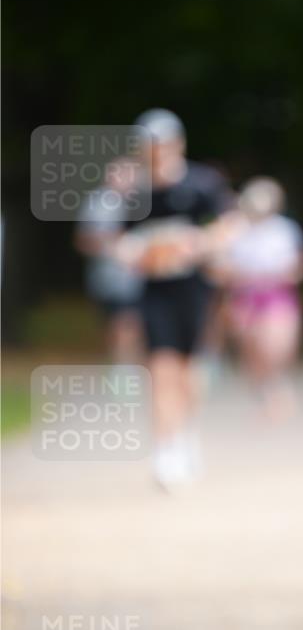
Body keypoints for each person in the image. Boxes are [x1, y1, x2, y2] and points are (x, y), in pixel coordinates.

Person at [115, 109, 230, 488]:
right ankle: (166, 451)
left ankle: (186, 434)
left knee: (190, 374)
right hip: (155, 292)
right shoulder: (135, 193)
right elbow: (122, 242)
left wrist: (201, 244)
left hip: (195, 291)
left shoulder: (202, 183)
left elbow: (229, 224)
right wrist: (138, 254)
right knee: (162, 369)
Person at [207, 177, 303, 422]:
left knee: (275, 347)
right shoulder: (233, 229)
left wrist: (281, 274)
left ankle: (277, 388)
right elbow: (217, 267)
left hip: (277, 295)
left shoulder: (285, 229)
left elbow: (300, 266)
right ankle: (267, 394)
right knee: (251, 350)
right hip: (244, 296)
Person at [75, 157, 144, 365]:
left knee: (130, 321)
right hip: (108, 277)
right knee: (117, 323)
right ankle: (121, 364)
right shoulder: (97, 204)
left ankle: (127, 366)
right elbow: (83, 240)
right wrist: (113, 243)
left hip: (138, 277)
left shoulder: (144, 200)